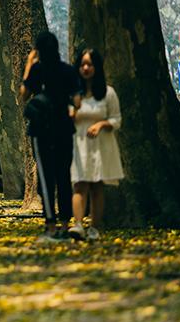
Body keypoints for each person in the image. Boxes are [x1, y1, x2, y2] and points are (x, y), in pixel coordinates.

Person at [19, 31, 82, 242]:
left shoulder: (37, 70)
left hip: (41, 130)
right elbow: (77, 101)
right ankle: (65, 225)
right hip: (64, 128)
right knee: (64, 177)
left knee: (46, 179)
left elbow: (24, 94)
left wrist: (29, 64)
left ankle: (51, 227)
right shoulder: (68, 70)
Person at [68, 48, 124, 242]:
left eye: (89, 64)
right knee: (79, 184)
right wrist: (73, 109)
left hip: (101, 145)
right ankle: (78, 225)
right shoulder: (74, 94)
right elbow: (68, 119)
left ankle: (95, 227)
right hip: (79, 144)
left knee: (97, 186)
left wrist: (101, 124)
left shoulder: (108, 93)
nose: (85, 68)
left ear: (96, 67)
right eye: (82, 64)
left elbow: (117, 120)